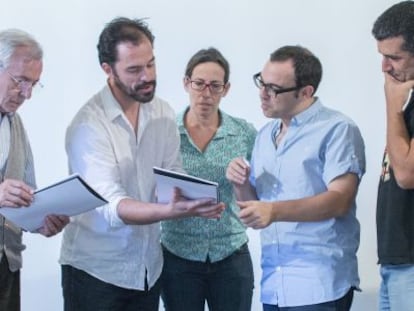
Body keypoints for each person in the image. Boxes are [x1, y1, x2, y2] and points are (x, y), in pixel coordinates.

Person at [59, 18, 225, 311]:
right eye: (134, 70)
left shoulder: (161, 110)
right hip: (97, 273)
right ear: (108, 70)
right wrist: (169, 211)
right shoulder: (88, 125)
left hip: (148, 269)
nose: (147, 76)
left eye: (151, 64)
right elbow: (112, 205)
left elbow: (172, 172)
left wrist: (196, 199)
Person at [226, 45, 366, 311]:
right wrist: (240, 183)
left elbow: (339, 200)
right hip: (274, 282)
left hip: (319, 281)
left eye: (273, 89)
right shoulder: (265, 135)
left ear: (306, 92)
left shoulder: (337, 129)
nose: (262, 94)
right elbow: (256, 211)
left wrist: (274, 210)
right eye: (261, 82)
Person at [160, 47, 256, 311]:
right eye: (199, 84)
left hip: (231, 252)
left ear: (226, 89)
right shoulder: (165, 132)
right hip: (178, 253)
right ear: (186, 83)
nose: (206, 94)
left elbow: (257, 203)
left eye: (215, 86)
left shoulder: (244, 133)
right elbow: (148, 190)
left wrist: (242, 183)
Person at [0, 29, 69, 311]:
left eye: (33, 84)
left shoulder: (16, 125)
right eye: (20, 81)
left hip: (7, 265)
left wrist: (40, 220)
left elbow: (27, 193)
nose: (26, 94)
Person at [372, 2, 414, 310]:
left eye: (394, 57)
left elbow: (407, 175)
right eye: (382, 56)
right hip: (396, 262)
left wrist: (392, 105)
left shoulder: (399, 104)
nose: (385, 67)